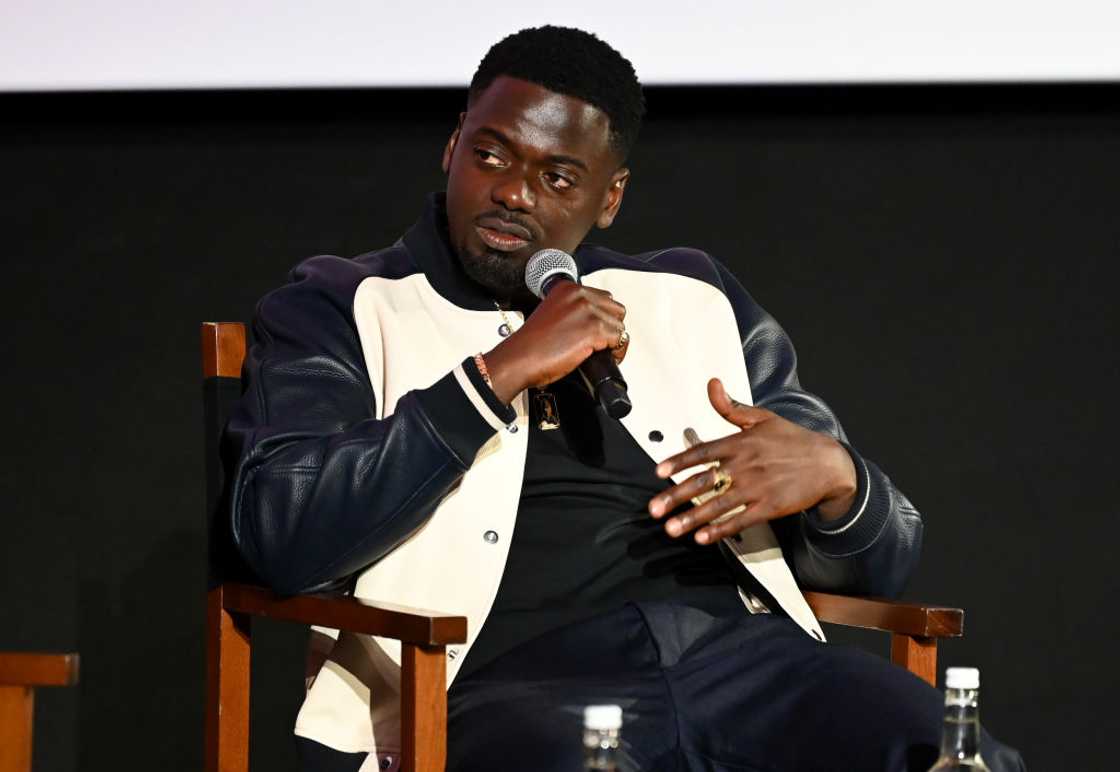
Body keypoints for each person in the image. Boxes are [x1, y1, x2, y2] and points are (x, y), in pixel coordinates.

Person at [225, 25, 1024, 772]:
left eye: (557, 177)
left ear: (608, 198)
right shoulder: (343, 303)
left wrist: (840, 483)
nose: (514, 193)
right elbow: (279, 530)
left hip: (740, 663)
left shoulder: (693, 296)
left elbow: (881, 562)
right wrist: (497, 375)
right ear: (453, 146)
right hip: (507, 681)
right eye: (492, 155)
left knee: (945, 751)